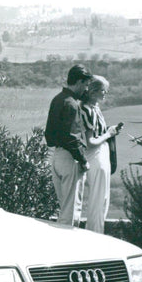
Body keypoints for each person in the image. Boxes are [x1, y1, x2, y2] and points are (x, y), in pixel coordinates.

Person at [44, 65, 92, 225]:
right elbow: (72, 138)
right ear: (79, 82)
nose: (85, 89)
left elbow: (49, 134)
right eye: (85, 85)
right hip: (70, 158)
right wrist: (83, 159)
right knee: (71, 212)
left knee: (64, 208)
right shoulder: (71, 104)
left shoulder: (58, 99)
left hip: (57, 156)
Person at [81, 75, 122, 233]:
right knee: (98, 201)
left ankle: (97, 232)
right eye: (104, 90)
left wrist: (109, 131)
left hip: (101, 153)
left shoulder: (94, 108)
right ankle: (95, 234)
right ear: (93, 91)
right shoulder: (87, 110)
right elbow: (90, 141)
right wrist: (109, 134)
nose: (106, 94)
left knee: (103, 199)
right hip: (95, 155)